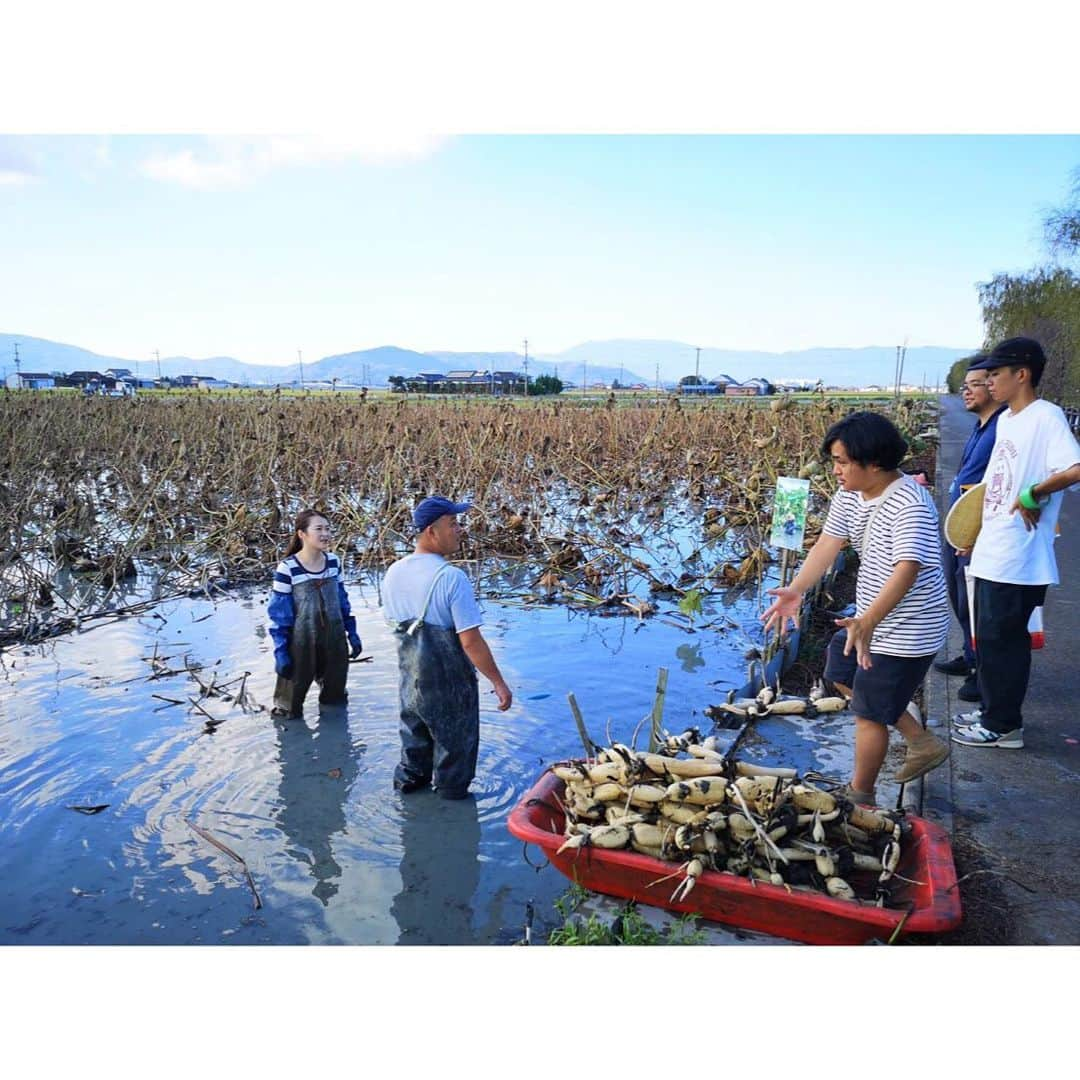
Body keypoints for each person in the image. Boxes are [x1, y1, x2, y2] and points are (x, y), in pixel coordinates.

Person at [762, 411, 951, 805]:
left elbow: (908, 569)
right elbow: (828, 543)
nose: (835, 470)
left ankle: (860, 795)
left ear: (875, 461)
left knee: (868, 715)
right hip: (869, 619)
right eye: (833, 460)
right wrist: (796, 589)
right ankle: (921, 741)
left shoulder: (910, 504)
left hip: (908, 626)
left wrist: (869, 621)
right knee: (841, 668)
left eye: (842, 461)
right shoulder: (850, 495)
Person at [951, 338, 1080, 749]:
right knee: (986, 639)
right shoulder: (1007, 419)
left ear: (1021, 374)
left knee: (1006, 642)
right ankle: (992, 712)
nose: (988, 383)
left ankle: (1005, 726)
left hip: (1020, 555)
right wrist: (970, 532)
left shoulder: (1046, 417)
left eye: (994, 375)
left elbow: (1075, 467)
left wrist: (1034, 492)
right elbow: (994, 484)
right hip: (993, 547)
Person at [382, 496, 512, 799]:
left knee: (413, 764)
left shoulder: (392, 573)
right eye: (452, 524)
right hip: (450, 691)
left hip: (410, 688)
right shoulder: (452, 578)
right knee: (454, 772)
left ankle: (411, 829)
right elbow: (470, 641)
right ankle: (451, 829)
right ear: (431, 531)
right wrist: (498, 682)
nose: (459, 530)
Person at [933, 357, 1007, 702]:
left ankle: (982, 671)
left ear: (994, 386)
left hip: (974, 535)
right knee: (961, 599)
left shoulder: (1001, 431)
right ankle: (969, 654)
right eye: (964, 386)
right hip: (958, 531)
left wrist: (977, 534)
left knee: (977, 603)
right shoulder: (981, 427)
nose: (966, 391)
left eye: (974, 384)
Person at [268, 509, 363, 719]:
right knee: (288, 710)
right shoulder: (287, 568)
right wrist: (281, 652)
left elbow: (342, 601)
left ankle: (336, 746)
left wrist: (352, 633)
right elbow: (279, 615)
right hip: (300, 643)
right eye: (318, 529)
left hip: (334, 640)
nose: (325, 534)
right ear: (302, 534)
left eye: (328, 529)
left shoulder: (333, 562)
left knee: (336, 701)